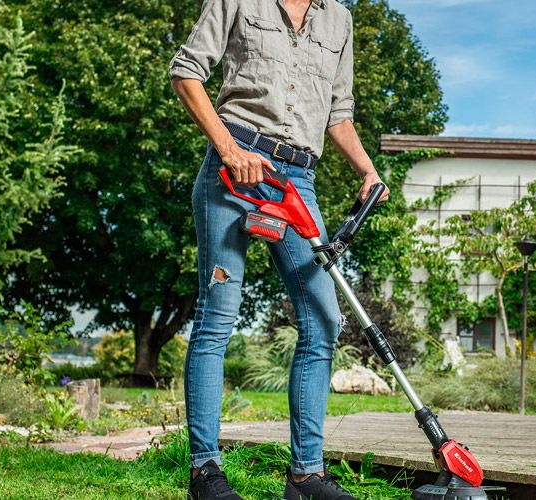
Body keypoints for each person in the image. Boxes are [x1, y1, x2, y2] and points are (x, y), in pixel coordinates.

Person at [169, 1, 387, 499]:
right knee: (218, 313)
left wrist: (367, 170)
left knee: (323, 316)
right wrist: (228, 148)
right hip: (233, 168)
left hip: (297, 178)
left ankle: (306, 476)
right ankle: (205, 472)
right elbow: (186, 72)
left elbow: (338, 113)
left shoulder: (339, 19)